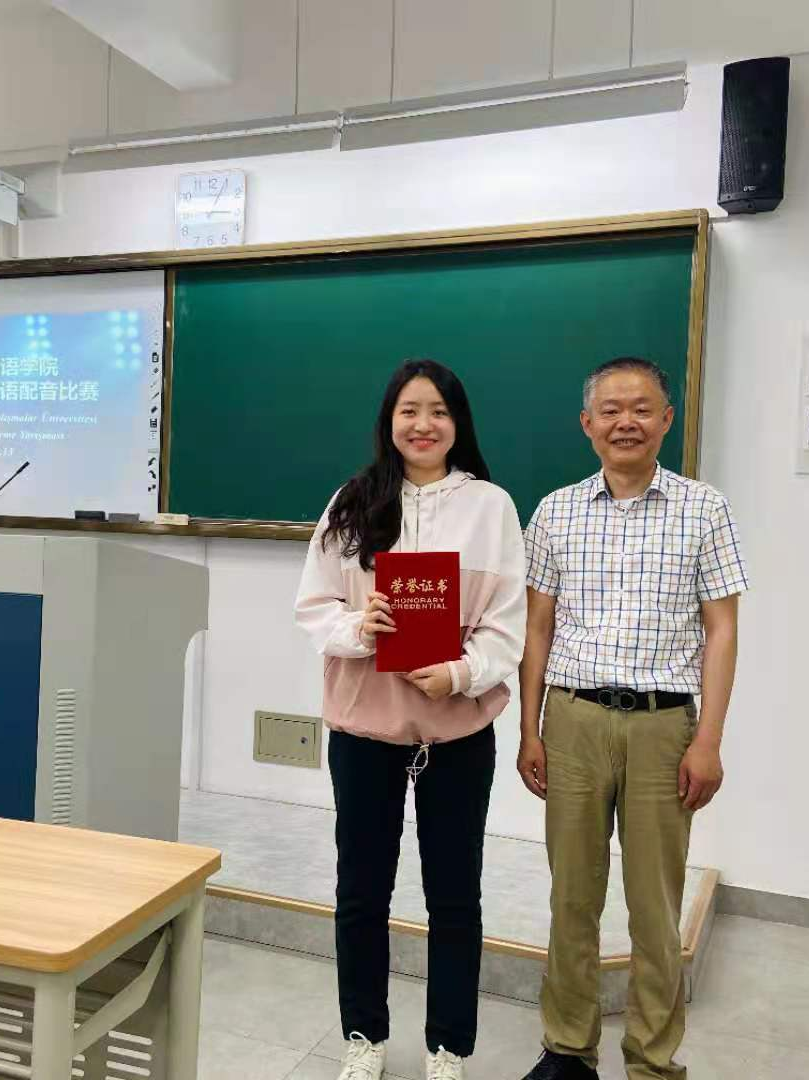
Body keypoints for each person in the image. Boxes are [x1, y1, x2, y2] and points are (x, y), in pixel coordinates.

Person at [515, 357, 748, 1080]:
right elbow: (537, 629)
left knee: (655, 907)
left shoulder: (704, 509)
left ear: (666, 420)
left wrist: (708, 740)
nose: (626, 422)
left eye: (642, 408)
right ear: (587, 424)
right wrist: (529, 729)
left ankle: (651, 1060)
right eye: (611, 410)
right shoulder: (554, 510)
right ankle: (567, 1050)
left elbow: (722, 630)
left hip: (662, 727)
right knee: (572, 898)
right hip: (574, 721)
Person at [295, 359, 527, 1080]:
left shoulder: (491, 506)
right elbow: (314, 607)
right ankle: (363, 1037)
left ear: (459, 423)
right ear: (388, 421)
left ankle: (448, 1047)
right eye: (409, 411)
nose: (423, 425)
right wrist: (360, 628)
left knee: (454, 895)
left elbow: (507, 623)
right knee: (361, 890)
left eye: (439, 412)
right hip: (364, 730)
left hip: (457, 733)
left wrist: (462, 673)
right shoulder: (353, 501)